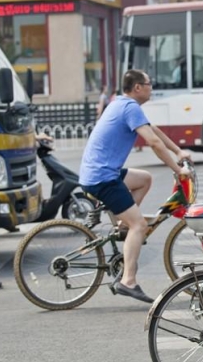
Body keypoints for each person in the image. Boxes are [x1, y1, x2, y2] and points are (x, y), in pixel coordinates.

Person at [79, 69, 192, 303]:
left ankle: (123, 223)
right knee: (139, 225)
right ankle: (127, 281)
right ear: (138, 87)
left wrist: (178, 150)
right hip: (102, 178)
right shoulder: (129, 107)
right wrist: (177, 168)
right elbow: (152, 142)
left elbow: (155, 131)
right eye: (149, 83)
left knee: (145, 179)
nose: (152, 87)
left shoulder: (121, 104)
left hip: (100, 173)